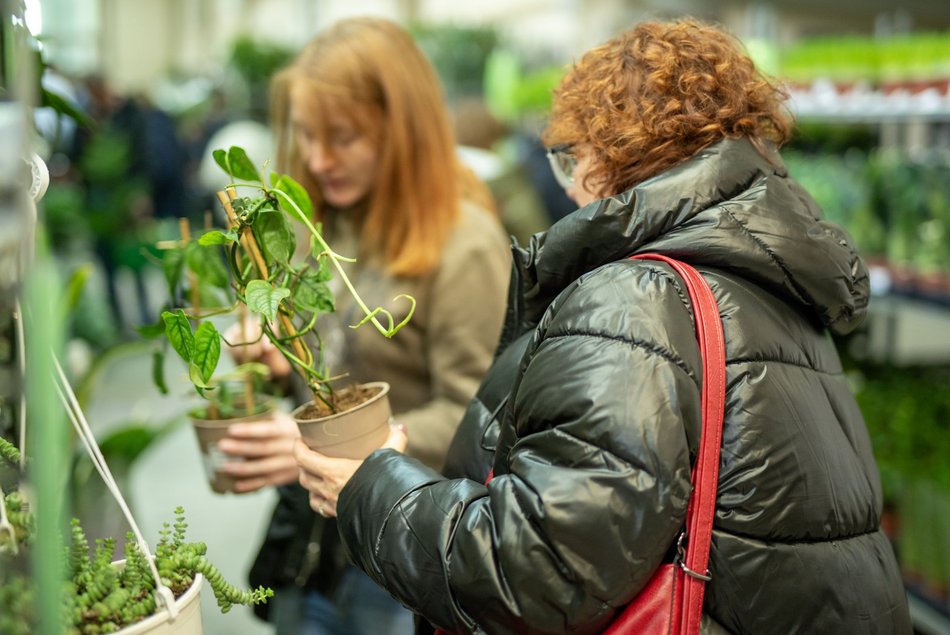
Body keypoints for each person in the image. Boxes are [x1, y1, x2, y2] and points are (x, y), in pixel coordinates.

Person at [291, 17, 912, 635]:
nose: (568, 188)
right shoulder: (773, 290)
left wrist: (371, 489)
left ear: (610, 151)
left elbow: (537, 571)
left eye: (569, 158)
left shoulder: (635, 300)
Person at [214, 17, 511, 635]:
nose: (319, 160)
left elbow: (477, 420)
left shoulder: (464, 244)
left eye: (343, 138)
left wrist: (310, 448)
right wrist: (276, 358)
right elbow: (328, 375)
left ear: (402, 130)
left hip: (404, 563)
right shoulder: (315, 223)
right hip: (315, 547)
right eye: (307, 136)